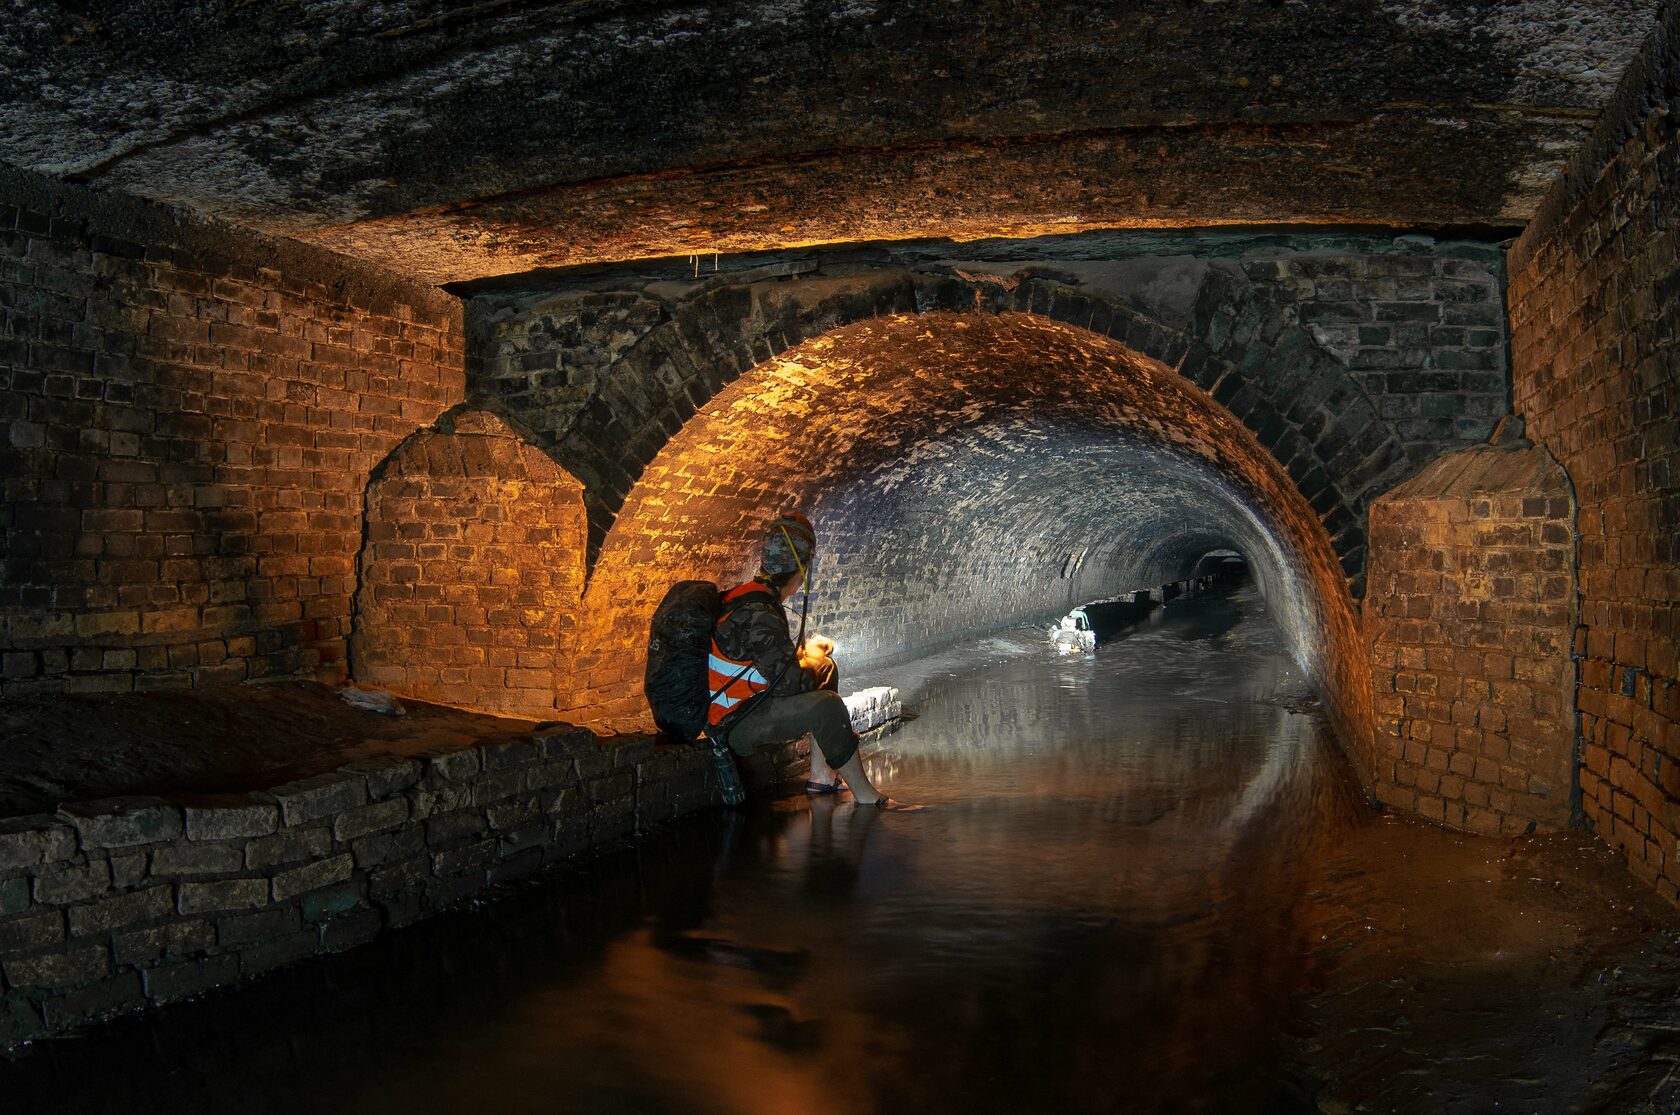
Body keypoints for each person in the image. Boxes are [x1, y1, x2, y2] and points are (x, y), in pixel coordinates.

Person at [708, 511, 922, 811]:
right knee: (828, 705)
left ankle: (822, 777)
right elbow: (788, 686)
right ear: (800, 572)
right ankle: (868, 797)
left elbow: (764, 664)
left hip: (744, 704)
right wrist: (812, 654)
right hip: (735, 722)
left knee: (825, 668)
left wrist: (809, 654)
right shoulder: (761, 613)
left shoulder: (751, 597)